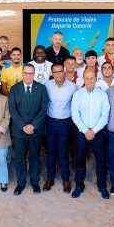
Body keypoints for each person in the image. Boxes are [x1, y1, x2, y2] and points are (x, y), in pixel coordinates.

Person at [71, 68, 111, 200]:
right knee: (80, 161)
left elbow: (105, 116)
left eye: (91, 78)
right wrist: (85, 130)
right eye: (86, 78)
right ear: (83, 79)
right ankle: (79, 185)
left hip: (97, 133)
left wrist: (93, 131)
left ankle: (102, 185)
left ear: (96, 78)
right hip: (82, 133)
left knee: (101, 161)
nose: (89, 80)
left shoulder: (102, 95)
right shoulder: (77, 94)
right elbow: (75, 115)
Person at [9, 63, 48, 195]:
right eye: (26, 73)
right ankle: (20, 183)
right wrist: (23, 126)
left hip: (35, 130)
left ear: (34, 74)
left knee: (35, 157)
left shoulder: (41, 88)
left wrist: (33, 125)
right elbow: (12, 109)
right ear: (22, 73)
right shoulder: (14, 89)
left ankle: (35, 182)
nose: (28, 76)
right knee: (19, 158)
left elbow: (43, 109)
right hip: (19, 131)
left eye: (31, 73)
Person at [42, 62, 76, 192]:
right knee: (50, 151)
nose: (58, 74)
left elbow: (75, 105)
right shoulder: (47, 85)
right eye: (55, 72)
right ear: (52, 73)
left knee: (63, 152)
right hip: (50, 122)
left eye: (60, 71)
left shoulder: (73, 87)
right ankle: (49, 178)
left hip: (65, 123)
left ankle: (66, 179)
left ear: (64, 71)